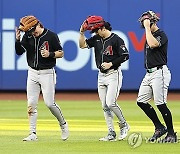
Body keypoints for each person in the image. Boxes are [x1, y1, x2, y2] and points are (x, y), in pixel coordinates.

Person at [15, 15, 69, 141]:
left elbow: (61, 53)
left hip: (47, 73)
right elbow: (19, 52)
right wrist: (17, 40)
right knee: (31, 104)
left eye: (32, 30)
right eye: (29, 31)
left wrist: (50, 54)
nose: (31, 33)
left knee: (50, 103)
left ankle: (63, 124)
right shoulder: (28, 36)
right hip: (32, 72)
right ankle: (32, 133)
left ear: (38, 25)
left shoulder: (51, 36)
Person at [79, 15, 130, 141]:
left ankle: (124, 124)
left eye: (96, 30)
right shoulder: (96, 38)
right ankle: (111, 133)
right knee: (104, 106)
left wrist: (111, 64)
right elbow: (82, 45)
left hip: (113, 74)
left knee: (111, 103)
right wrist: (81, 32)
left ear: (102, 28)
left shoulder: (116, 39)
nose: (95, 33)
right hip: (101, 76)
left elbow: (125, 55)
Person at [137, 10, 177, 143]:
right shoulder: (149, 35)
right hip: (149, 73)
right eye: (143, 22)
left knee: (160, 103)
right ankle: (159, 127)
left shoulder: (161, 34)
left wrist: (148, 28)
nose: (144, 24)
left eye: (146, 21)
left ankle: (171, 133)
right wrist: (148, 30)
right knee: (141, 101)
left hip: (160, 72)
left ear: (152, 21)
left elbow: (154, 44)